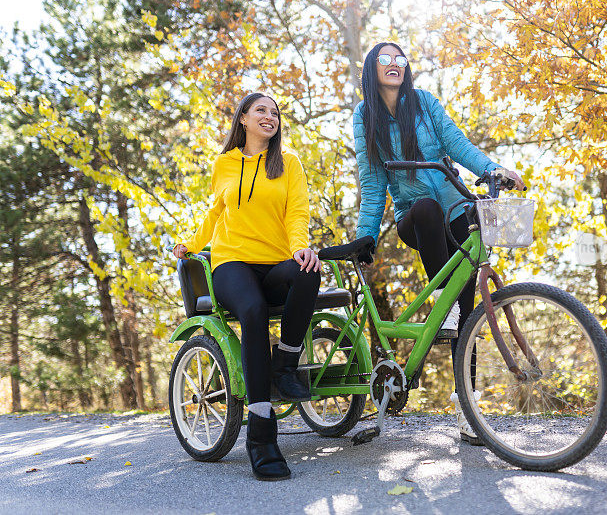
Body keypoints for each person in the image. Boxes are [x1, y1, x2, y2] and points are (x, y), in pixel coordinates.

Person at [353, 42, 524, 445]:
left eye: (401, 59)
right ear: (372, 68)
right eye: (385, 59)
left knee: (467, 310)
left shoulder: (425, 104)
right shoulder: (366, 116)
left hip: (456, 212)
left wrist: (491, 169)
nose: (395, 65)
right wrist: (366, 236)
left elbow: (457, 144)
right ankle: (443, 296)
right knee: (427, 207)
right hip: (416, 218)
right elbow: (373, 183)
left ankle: (468, 410)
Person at [173, 92, 321, 481]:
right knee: (252, 313)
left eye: (275, 112)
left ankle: (285, 363)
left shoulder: (289, 163)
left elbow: (297, 213)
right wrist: (191, 243)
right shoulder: (224, 163)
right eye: (262, 110)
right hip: (231, 263)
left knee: (309, 270)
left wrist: (301, 248)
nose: (270, 117)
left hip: (273, 262)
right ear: (243, 118)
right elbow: (214, 211)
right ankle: (260, 435)